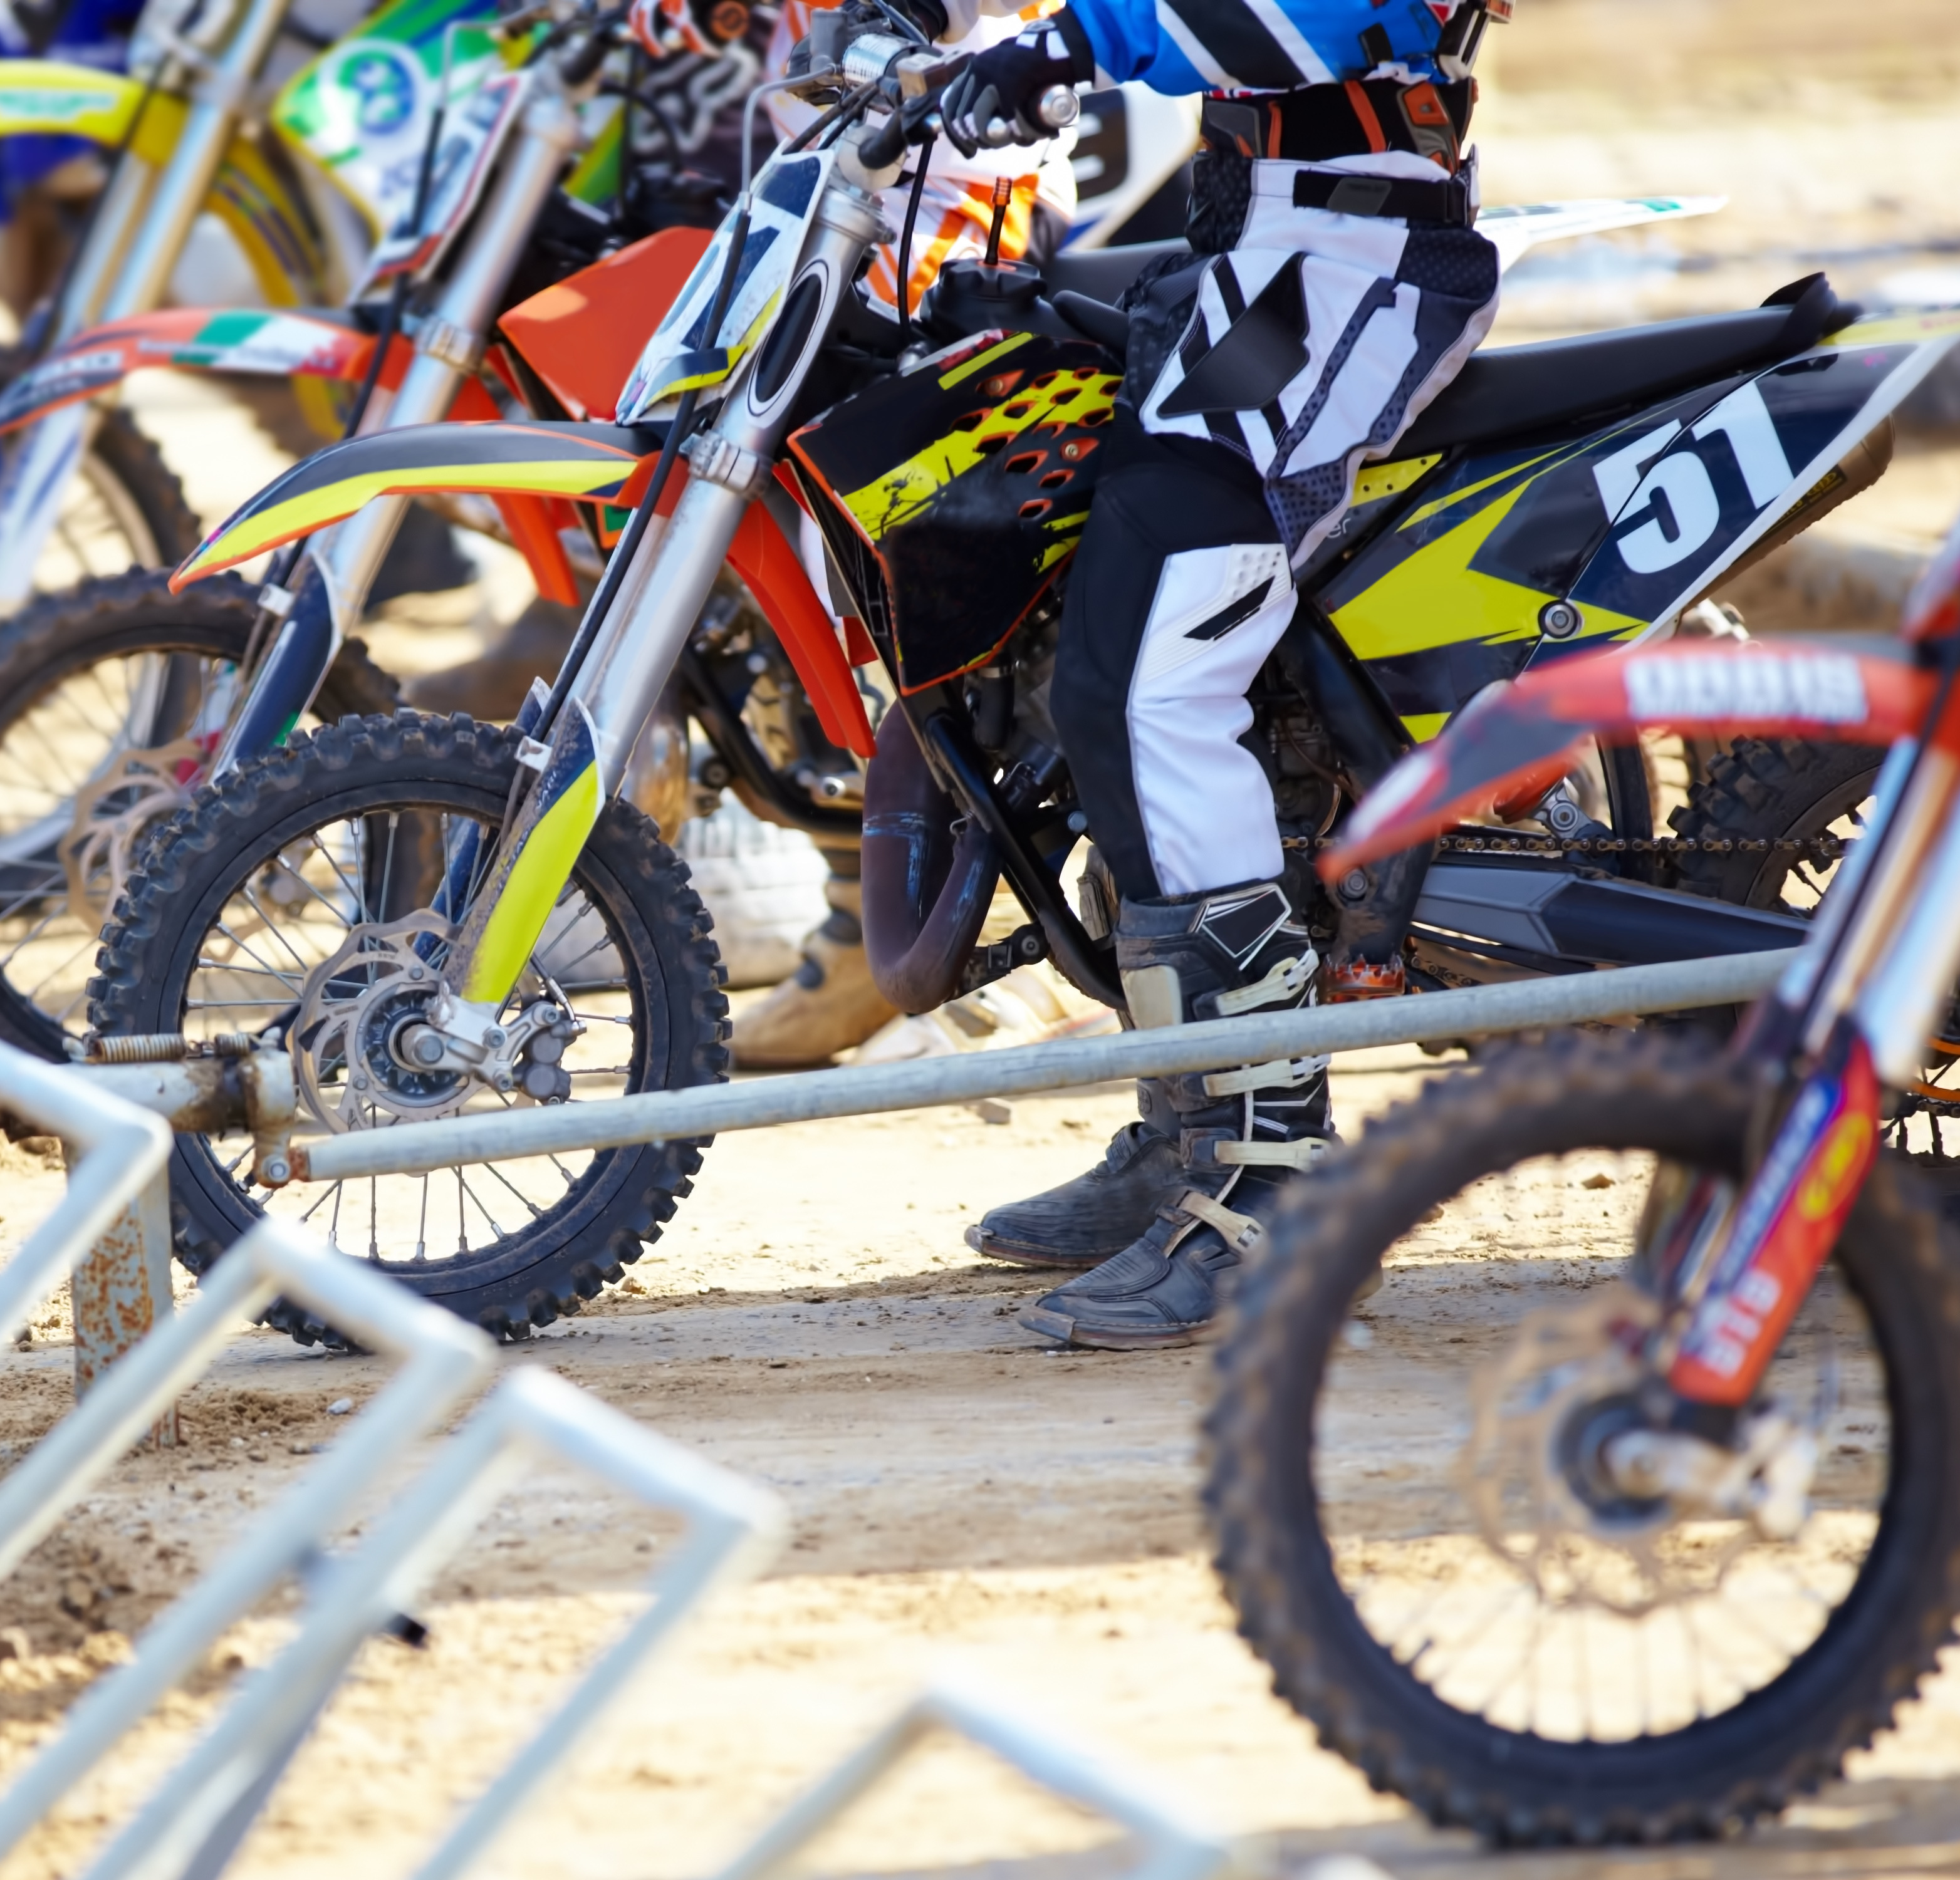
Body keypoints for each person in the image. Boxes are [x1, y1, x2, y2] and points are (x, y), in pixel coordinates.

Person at [931, 0, 1501, 1348]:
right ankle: (1188, 1125)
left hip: (1347, 265)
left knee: (1153, 686)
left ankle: (1271, 1190)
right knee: (1103, 677)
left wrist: (1074, 45)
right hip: (1258, 250)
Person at [628, 0, 1083, 1070]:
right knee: (760, 495)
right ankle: (871, 905)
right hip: (820, 141)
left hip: (960, 151)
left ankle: (1011, 920)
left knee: (933, 545)